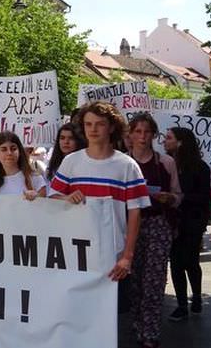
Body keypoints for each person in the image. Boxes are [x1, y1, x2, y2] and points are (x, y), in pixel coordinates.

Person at [49, 101, 150, 284]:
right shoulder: (71, 161)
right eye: (88, 124)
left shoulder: (127, 165)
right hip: (75, 252)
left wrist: (127, 256)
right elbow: (52, 198)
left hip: (112, 254)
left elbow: (135, 212)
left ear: (111, 127)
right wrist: (66, 197)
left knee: (113, 311)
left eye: (99, 124)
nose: (93, 129)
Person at [127, 113, 182, 348]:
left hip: (157, 223)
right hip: (129, 225)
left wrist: (169, 198)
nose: (142, 136)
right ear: (130, 134)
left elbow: (179, 196)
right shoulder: (122, 162)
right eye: (138, 131)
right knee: (135, 278)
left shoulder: (165, 163)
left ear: (154, 134)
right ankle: (138, 320)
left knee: (155, 278)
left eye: (147, 131)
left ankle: (150, 330)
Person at [165, 127, 211, 321]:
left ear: (181, 142)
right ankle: (182, 305)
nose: (165, 141)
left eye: (169, 138)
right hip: (172, 221)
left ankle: (197, 297)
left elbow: (204, 197)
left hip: (192, 221)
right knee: (175, 263)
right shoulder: (167, 164)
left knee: (190, 262)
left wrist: (180, 197)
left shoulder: (200, 167)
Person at [0, 132, 45, 200]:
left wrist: (37, 197)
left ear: (19, 151)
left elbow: (45, 206)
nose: (9, 153)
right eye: (4, 149)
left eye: (13, 149)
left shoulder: (35, 178)